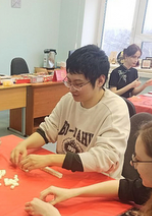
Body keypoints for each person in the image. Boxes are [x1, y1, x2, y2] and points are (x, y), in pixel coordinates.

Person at [11, 45, 130, 179]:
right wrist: (24, 144)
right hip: (65, 173)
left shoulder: (115, 110)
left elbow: (103, 158)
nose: (71, 89)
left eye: (78, 84)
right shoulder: (69, 100)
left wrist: (51, 160)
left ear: (100, 81)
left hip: (97, 181)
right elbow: (49, 129)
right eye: (69, 81)